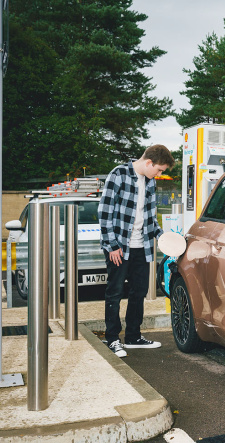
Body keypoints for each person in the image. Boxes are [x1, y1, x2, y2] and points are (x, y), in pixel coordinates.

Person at [98, 145, 176, 357]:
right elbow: (104, 211)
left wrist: (164, 237)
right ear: (149, 162)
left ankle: (133, 337)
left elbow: (150, 217)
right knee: (114, 292)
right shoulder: (119, 174)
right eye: (159, 170)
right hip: (119, 246)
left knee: (139, 292)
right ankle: (112, 338)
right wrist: (112, 245)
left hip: (141, 246)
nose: (159, 174)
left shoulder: (149, 182)